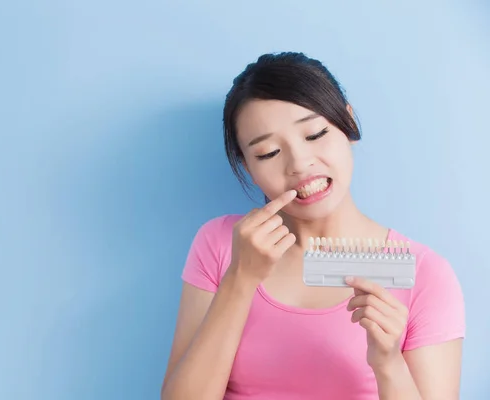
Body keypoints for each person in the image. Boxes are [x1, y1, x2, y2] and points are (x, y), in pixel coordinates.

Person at [160, 52, 466, 400]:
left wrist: (388, 364)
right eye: (268, 153)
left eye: (316, 133)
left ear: (347, 124)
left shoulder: (426, 274)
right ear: (247, 166)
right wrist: (240, 280)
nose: (300, 164)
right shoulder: (220, 244)